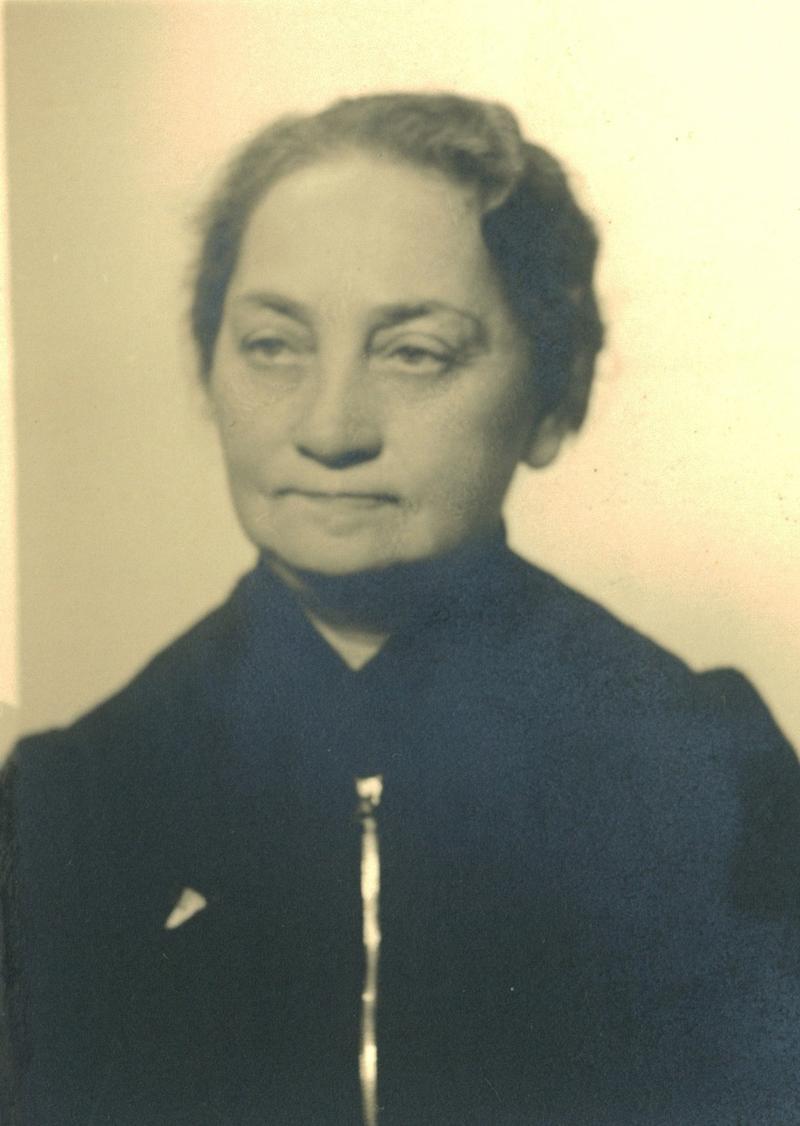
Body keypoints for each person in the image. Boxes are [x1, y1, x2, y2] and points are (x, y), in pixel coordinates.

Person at [2, 91, 799, 1125]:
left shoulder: (703, 772)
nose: (330, 428)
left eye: (414, 351)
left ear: (555, 397)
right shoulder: (71, 803)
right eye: (273, 345)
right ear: (209, 370)